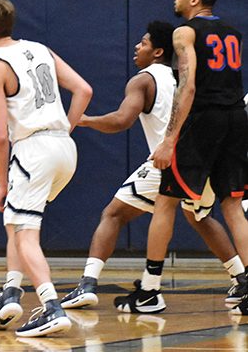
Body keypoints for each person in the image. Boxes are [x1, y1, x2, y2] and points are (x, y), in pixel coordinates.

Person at [61, 21, 246, 311]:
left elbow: (122, 120)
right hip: (210, 157)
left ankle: (90, 284)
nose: (137, 47)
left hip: (172, 158)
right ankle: (241, 278)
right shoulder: (184, 73)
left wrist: (84, 120)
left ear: (158, 51)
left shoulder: (143, 80)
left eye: (144, 43)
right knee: (199, 217)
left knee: (113, 213)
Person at [114, 0, 248, 314]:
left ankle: (150, 289)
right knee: (232, 206)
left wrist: (169, 139)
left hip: (204, 120)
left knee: (166, 202)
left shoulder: (184, 32)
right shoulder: (233, 31)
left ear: (194, 0)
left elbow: (186, 87)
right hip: (235, 117)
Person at [0, 0, 93, 338]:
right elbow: (83, 90)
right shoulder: (39, 48)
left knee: (25, 232)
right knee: (17, 221)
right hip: (64, 147)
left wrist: (0, 182)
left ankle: (51, 306)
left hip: (33, 150)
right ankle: (11, 292)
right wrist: (65, 130)